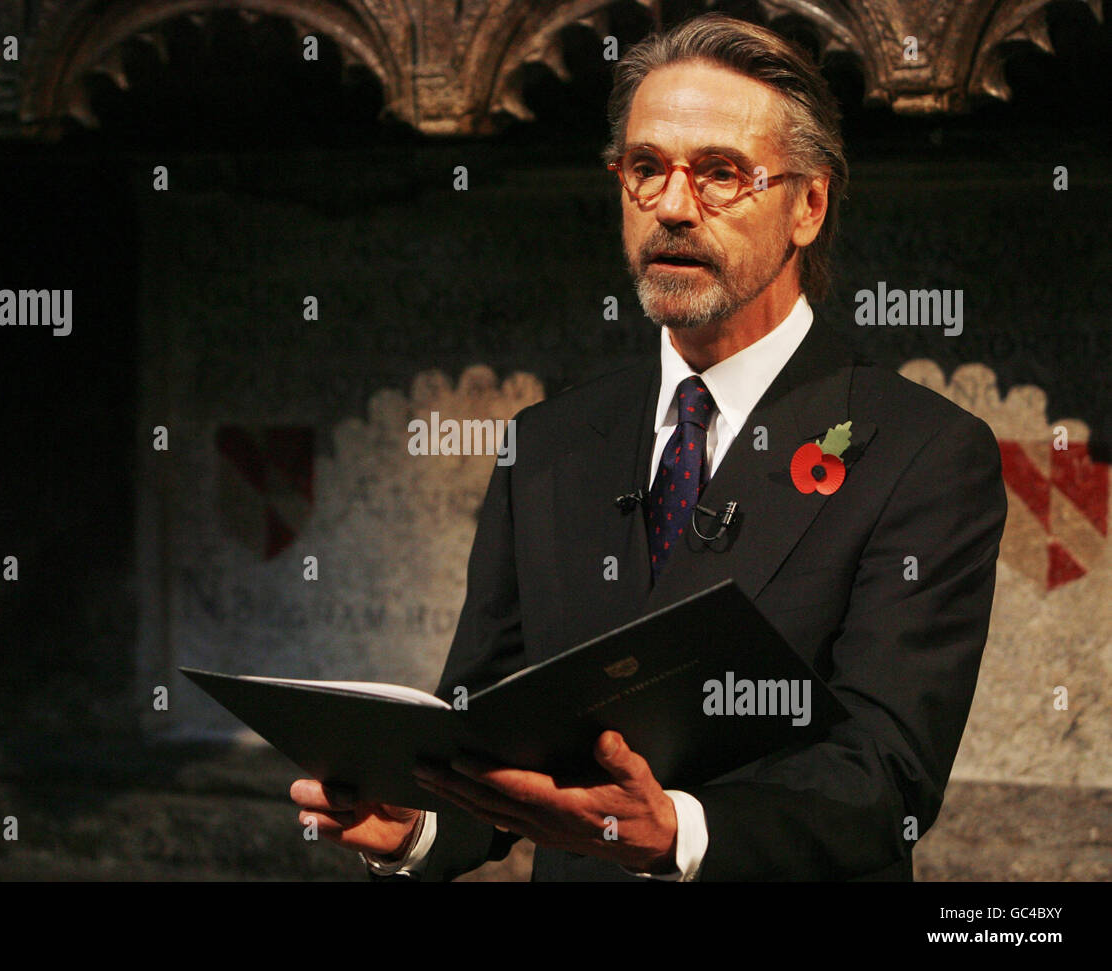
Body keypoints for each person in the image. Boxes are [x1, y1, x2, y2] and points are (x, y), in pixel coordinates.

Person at [289, 13, 1007, 881]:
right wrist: (416, 825)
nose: (671, 207)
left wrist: (679, 831)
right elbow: (490, 731)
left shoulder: (924, 453)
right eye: (645, 169)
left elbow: (888, 771)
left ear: (809, 204)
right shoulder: (546, 443)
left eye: (719, 174)